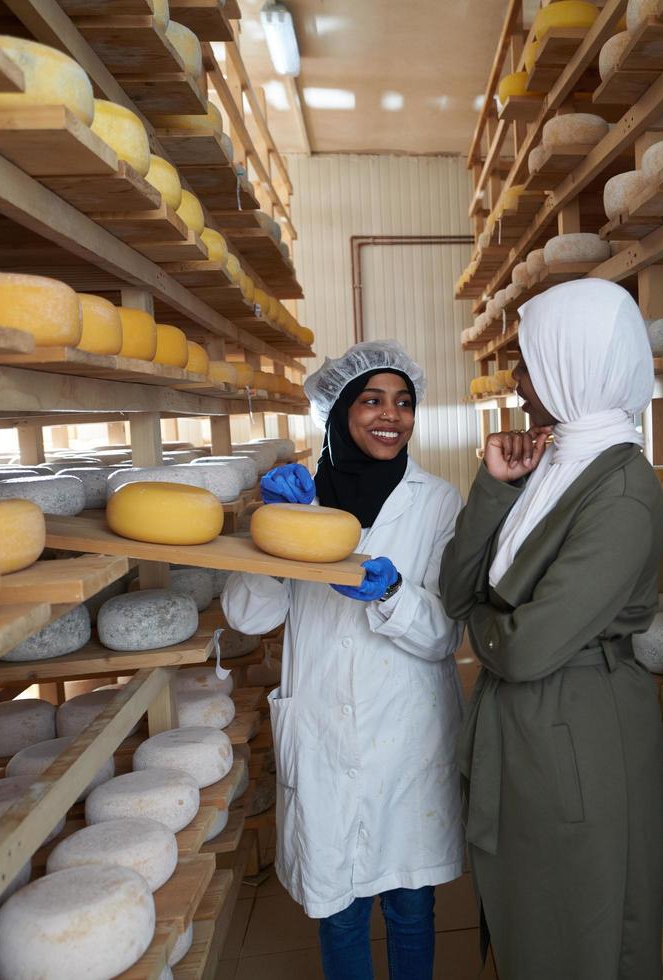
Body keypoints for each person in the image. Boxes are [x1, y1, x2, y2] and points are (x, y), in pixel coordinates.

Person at [439, 279, 663, 980]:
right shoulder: (553, 465)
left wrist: (486, 620)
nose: (517, 380)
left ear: (577, 365)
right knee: (534, 922)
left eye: (530, 363)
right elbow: (453, 588)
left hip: (575, 725)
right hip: (532, 724)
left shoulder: (622, 490)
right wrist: (495, 485)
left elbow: (529, 647)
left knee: (580, 930)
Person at [221, 340, 464, 980]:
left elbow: (447, 636)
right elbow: (248, 617)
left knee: (412, 904)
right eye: (372, 400)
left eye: (404, 402)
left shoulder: (437, 503)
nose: (392, 415)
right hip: (325, 730)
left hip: (409, 728)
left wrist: (392, 594)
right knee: (341, 910)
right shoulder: (296, 503)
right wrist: (270, 529)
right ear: (337, 410)